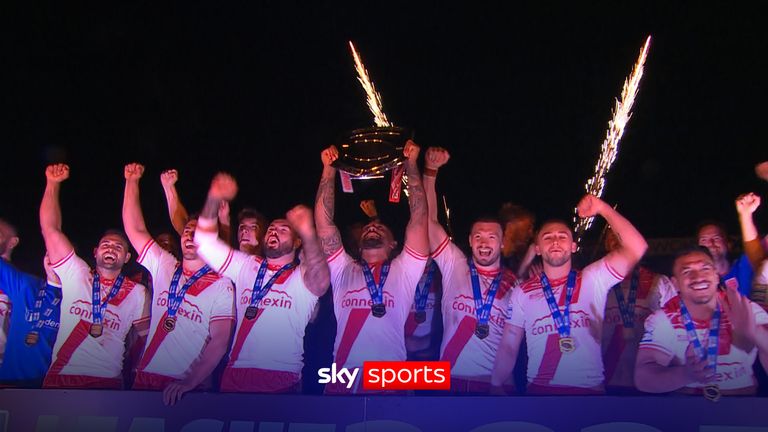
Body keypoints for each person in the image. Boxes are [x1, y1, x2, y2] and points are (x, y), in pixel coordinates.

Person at [491, 195, 647, 394]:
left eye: (562, 236)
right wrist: (495, 385)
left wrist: (602, 208)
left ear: (573, 246)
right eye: (547, 237)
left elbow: (637, 247)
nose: (555, 241)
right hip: (540, 395)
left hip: (590, 394)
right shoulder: (523, 292)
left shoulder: (593, 278)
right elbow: (508, 345)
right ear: (537, 249)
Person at [195, 173, 329, 393]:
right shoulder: (247, 265)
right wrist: (213, 198)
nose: (274, 231)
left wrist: (307, 232)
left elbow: (321, 282)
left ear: (297, 242)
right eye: (271, 229)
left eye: (284, 229)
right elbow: (203, 242)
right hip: (235, 374)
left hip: (281, 378)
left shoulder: (300, 277)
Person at [314, 141, 429, 394]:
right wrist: (328, 169)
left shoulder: (405, 270)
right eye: (368, 227)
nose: (372, 227)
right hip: (343, 375)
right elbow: (324, 225)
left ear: (394, 243)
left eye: (380, 227)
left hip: (393, 376)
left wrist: (410, 164)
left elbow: (419, 220)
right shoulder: (342, 268)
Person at [122, 163, 235, 405]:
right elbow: (135, 229)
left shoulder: (221, 284)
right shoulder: (165, 264)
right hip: (145, 379)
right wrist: (131, 182)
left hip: (187, 385)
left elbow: (220, 341)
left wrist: (190, 382)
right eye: (186, 232)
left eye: (197, 233)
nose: (189, 236)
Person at [39, 164, 149, 389]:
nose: (111, 249)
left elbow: (148, 337)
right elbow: (50, 230)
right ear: (95, 252)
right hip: (62, 376)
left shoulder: (138, 292)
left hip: (107, 381)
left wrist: (138, 374)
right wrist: (52, 184)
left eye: (118, 247)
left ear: (127, 256)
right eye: (105, 245)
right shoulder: (76, 274)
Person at [422, 147, 517, 393]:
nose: (484, 242)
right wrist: (430, 173)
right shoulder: (455, 264)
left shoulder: (515, 285)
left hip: (493, 386)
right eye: (478, 236)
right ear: (470, 240)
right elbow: (429, 222)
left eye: (492, 237)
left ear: (503, 242)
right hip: (447, 383)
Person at [635, 247, 768, 398]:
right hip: (689, 410)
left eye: (705, 269)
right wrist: (686, 374)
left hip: (743, 408)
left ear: (716, 276)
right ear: (675, 283)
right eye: (687, 272)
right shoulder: (664, 318)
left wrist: (756, 333)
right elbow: (643, 379)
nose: (698, 277)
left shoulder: (745, 310)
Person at [601, 228, 676, 393]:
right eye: (612, 237)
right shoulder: (595, 281)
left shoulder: (660, 282)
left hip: (648, 380)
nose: (617, 240)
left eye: (621, 235)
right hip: (604, 381)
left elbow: (676, 329)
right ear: (607, 244)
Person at [0, 218, 62, 387]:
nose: (56, 259)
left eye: (64, 257)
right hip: (11, 380)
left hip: (56, 385)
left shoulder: (80, 296)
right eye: (51, 252)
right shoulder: (28, 285)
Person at [697, 220, 753, 297]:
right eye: (704, 240)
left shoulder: (744, 264)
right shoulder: (696, 281)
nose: (710, 243)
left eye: (716, 238)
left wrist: (746, 216)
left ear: (728, 244)